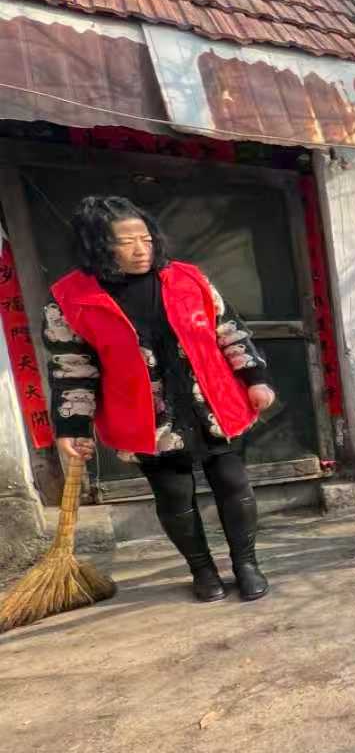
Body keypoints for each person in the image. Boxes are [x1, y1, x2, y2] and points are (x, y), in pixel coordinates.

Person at [42, 196, 277, 602]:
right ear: (97, 244)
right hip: (145, 414)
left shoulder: (187, 278)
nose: (141, 250)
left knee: (233, 483)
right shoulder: (69, 299)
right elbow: (72, 368)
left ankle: (246, 564)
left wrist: (255, 379)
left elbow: (229, 330)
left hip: (211, 401)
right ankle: (202, 571)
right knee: (174, 496)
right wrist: (73, 426)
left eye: (146, 239)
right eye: (126, 242)